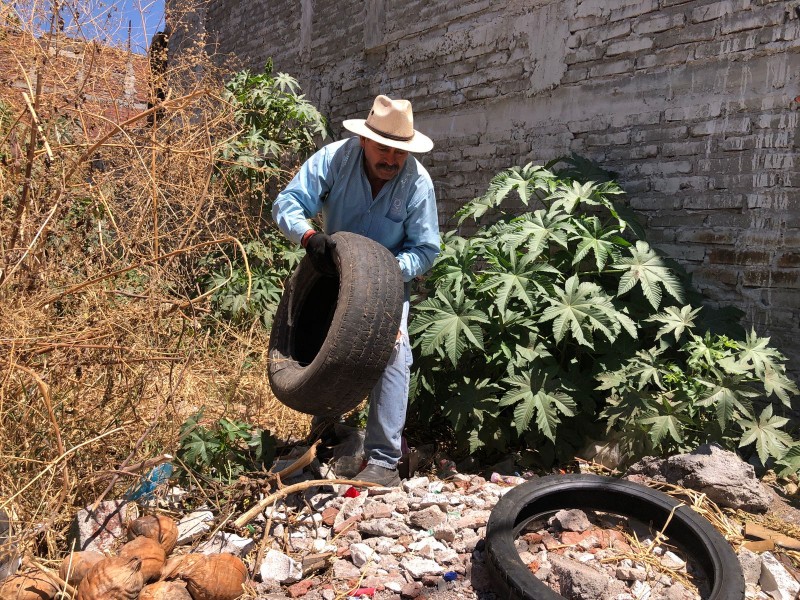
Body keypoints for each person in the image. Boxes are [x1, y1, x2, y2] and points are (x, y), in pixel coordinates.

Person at [272, 95, 440, 486]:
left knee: (393, 349)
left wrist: (379, 273)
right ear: (364, 140)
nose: (391, 159)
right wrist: (309, 237)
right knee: (323, 345)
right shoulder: (334, 159)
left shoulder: (417, 182)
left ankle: (383, 459)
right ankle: (329, 430)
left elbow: (426, 249)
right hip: (331, 271)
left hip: (384, 284)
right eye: (384, 148)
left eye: (399, 152)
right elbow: (288, 203)